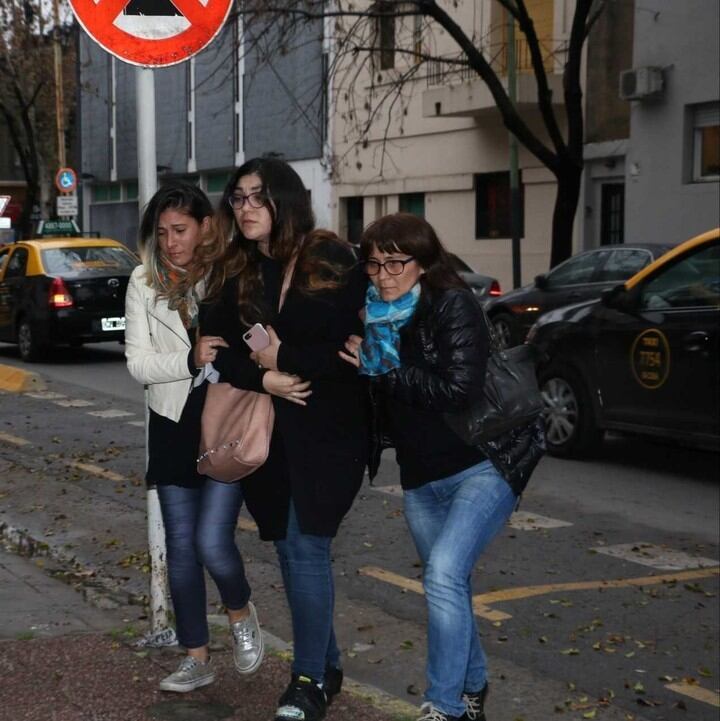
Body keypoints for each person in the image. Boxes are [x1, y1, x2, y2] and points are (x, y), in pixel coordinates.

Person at [340, 213, 544, 721]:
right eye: (374, 264)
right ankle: (473, 688)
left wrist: (382, 367)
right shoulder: (372, 312)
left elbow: (458, 390)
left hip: (483, 466)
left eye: (396, 262)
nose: (384, 274)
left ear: (424, 263)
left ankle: (445, 707)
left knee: (444, 574)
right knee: (447, 584)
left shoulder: (453, 306)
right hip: (421, 478)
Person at [200, 158, 369, 721]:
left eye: (257, 197)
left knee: (306, 547)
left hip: (328, 432)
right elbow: (217, 348)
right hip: (268, 435)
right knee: (292, 551)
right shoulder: (234, 269)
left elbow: (350, 352)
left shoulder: (329, 259)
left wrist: (284, 359)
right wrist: (263, 375)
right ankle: (329, 663)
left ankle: (308, 680)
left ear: (285, 201)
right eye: (238, 199)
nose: (245, 209)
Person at [124, 181, 264, 693]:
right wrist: (187, 358)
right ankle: (196, 657)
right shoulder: (143, 281)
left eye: (180, 230)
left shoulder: (229, 274)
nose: (170, 242)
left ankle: (240, 608)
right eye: (162, 233)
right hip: (172, 423)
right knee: (181, 547)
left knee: (211, 541)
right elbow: (138, 364)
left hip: (224, 422)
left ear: (206, 226)